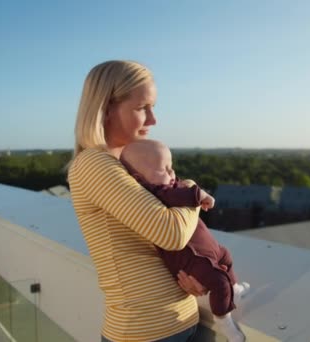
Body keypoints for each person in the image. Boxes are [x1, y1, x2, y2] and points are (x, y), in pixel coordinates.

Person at [68, 60, 208, 342]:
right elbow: (172, 232)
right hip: (143, 333)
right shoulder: (94, 164)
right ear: (106, 108)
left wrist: (195, 271)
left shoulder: (130, 165)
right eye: (142, 108)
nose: (153, 120)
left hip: (179, 322)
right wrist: (191, 188)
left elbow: (165, 243)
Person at [120, 139, 250, 342]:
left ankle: (233, 291)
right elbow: (185, 192)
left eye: (171, 167)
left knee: (226, 256)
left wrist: (187, 187)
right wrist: (200, 194)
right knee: (219, 282)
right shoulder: (155, 193)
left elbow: (183, 186)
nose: (172, 174)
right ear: (139, 178)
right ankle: (223, 321)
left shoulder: (167, 186)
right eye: (164, 169)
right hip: (193, 258)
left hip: (209, 250)